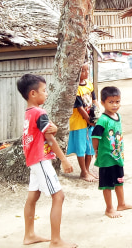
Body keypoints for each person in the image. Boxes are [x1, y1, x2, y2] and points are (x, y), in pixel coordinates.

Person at [16, 74, 76, 248]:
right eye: (44, 90)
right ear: (33, 93)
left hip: (33, 160)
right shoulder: (40, 112)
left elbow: (44, 132)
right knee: (59, 196)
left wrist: (54, 129)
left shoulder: (29, 113)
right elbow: (49, 138)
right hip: (40, 160)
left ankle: (29, 235)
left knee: (33, 195)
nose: (47, 94)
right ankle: (56, 241)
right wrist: (64, 160)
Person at [92, 86, 132, 218]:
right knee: (107, 185)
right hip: (106, 159)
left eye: (117, 101)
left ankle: (121, 204)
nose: (115, 105)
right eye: (111, 102)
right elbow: (95, 137)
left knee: (119, 180)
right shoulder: (103, 120)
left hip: (117, 157)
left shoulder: (118, 116)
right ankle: (109, 208)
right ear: (103, 103)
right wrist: (96, 150)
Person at [66, 63, 97, 182]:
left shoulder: (89, 84)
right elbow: (80, 108)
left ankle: (88, 170)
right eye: (83, 70)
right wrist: (90, 120)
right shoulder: (75, 89)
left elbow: (94, 100)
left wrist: (98, 113)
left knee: (90, 147)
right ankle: (83, 172)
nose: (86, 72)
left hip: (91, 121)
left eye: (87, 70)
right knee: (81, 147)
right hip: (79, 122)